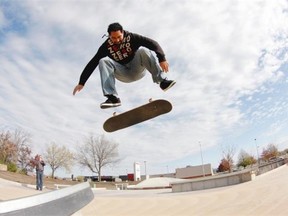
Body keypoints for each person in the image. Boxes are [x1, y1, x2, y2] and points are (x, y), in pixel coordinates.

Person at [73, 22, 176, 109]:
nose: (117, 40)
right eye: (113, 38)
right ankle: (113, 98)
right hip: (122, 73)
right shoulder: (106, 47)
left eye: (119, 37)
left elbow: (152, 43)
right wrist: (82, 82)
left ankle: (162, 82)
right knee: (103, 61)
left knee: (143, 50)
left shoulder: (132, 37)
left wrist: (162, 58)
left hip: (137, 69)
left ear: (123, 32)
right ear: (109, 35)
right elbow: (92, 63)